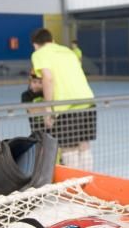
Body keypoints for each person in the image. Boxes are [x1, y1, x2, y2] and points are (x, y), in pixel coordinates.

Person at [31, 28, 96, 170]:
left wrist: (48, 108)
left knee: (68, 148)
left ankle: (75, 187)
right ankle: (88, 183)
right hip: (87, 100)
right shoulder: (67, 51)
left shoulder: (39, 54)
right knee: (83, 144)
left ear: (35, 44)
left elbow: (47, 78)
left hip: (65, 105)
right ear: (52, 40)